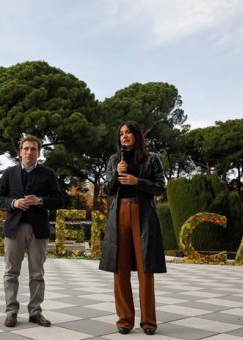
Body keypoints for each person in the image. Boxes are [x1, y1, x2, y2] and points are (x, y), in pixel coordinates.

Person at [99, 121, 166, 336]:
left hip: (143, 214)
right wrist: (117, 175)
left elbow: (160, 187)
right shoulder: (113, 160)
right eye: (121, 133)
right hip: (119, 214)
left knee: (146, 270)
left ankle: (149, 322)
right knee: (120, 269)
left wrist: (138, 181)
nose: (124, 136)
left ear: (137, 135)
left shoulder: (151, 158)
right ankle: (125, 320)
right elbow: (106, 189)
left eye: (128, 132)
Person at [0, 135, 62, 328]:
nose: (29, 152)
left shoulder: (48, 174)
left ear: (39, 152)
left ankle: (35, 312)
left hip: (38, 229)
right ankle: (11, 312)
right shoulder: (9, 173)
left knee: (37, 274)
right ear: (19, 152)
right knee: (10, 272)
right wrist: (14, 203)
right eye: (26, 149)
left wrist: (39, 201)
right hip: (13, 229)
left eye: (33, 149)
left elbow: (59, 200)